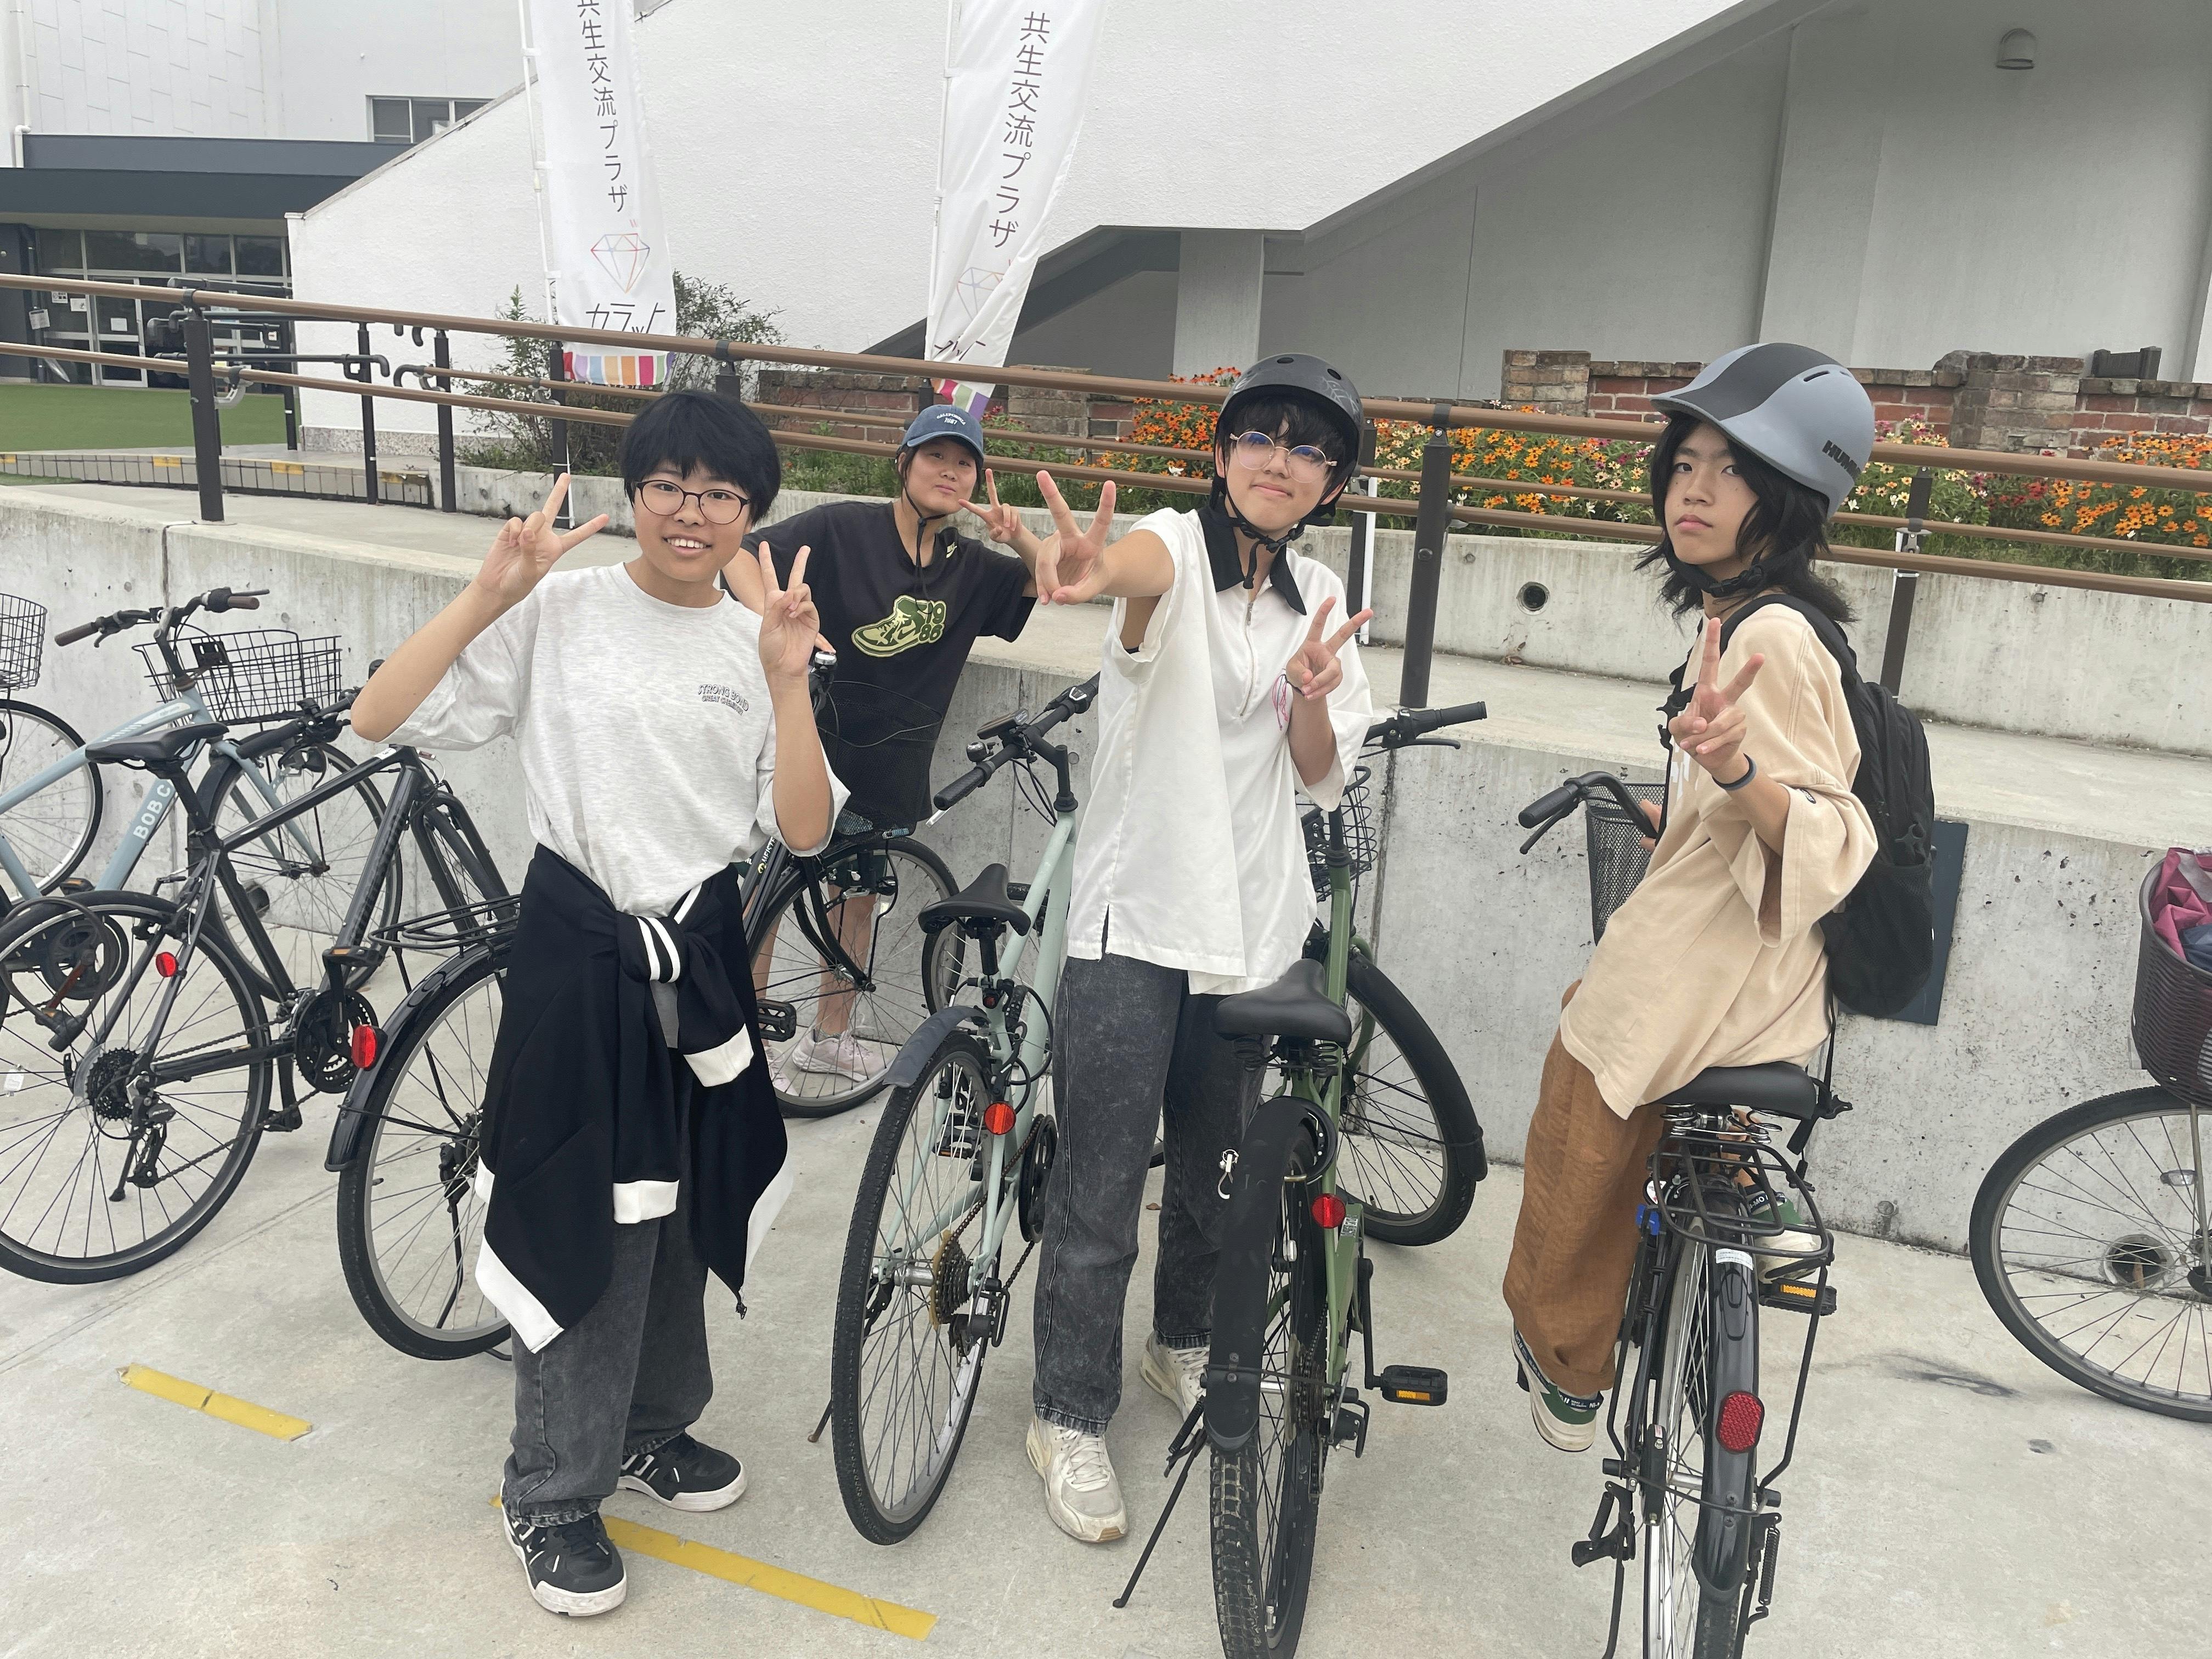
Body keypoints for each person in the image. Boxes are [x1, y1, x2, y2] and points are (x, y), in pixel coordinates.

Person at [350, 389, 844, 1616]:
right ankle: (552, 1487)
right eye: (668, 484)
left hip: (700, 955)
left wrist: (789, 681)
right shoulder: (561, 610)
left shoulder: (760, 641)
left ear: (751, 513)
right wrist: (488, 595)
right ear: (634, 492)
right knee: (584, 1209)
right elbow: (377, 714)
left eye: (720, 494)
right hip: (579, 953)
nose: (691, 512)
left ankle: (651, 1423)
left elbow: (803, 830)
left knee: (680, 1204)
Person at [990, 353, 1375, 1542]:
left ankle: (1182, 1340)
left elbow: (1318, 768)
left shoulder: (1321, 595)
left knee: (1215, 1173)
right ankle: (1067, 1411)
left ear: (1329, 483)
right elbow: (1130, 572)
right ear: (1221, 455)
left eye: (1306, 448)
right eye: (1258, 436)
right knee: (1102, 1185)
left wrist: (1315, 690)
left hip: (1246, 929)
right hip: (1134, 919)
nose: (1278, 460)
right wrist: (1088, 569)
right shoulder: (1172, 544)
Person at [1502, 343, 1880, 1452]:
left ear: (1790, 498)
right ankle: (1735, 1183)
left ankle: (1567, 1365)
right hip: (1765, 971)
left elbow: (1829, 826)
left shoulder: (1772, 637)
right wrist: (1698, 801)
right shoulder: (1762, 616)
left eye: (1733, 469)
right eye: (1684, 464)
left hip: (1714, 975)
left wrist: (1734, 772)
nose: (1694, 490)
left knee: (1582, 1078)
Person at [726, 403, 1039, 1086]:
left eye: (964, 463)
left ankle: (830, 1039)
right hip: (811, 741)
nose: (949, 472)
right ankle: (741, 1041)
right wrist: (770, 619)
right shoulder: (842, 529)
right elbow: (742, 553)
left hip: (894, 755)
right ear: (903, 463)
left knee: (858, 893)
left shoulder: (972, 565)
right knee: (765, 895)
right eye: (935, 457)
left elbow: (1057, 580)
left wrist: (1020, 537)